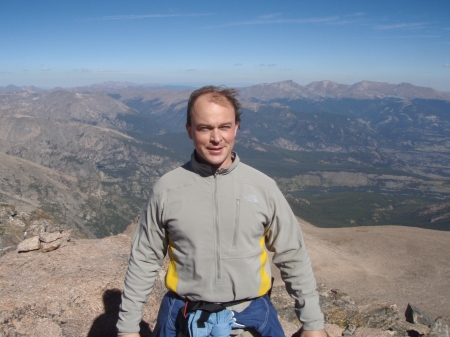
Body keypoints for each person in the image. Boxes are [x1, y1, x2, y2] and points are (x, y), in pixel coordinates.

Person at [117, 86, 328, 337]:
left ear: (236, 127)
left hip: (251, 315)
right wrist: (127, 328)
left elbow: (293, 254)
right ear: (189, 130)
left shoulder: (263, 188)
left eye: (224, 127)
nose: (216, 138)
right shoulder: (167, 189)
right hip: (182, 315)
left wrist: (313, 323)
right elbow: (144, 258)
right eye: (205, 128)